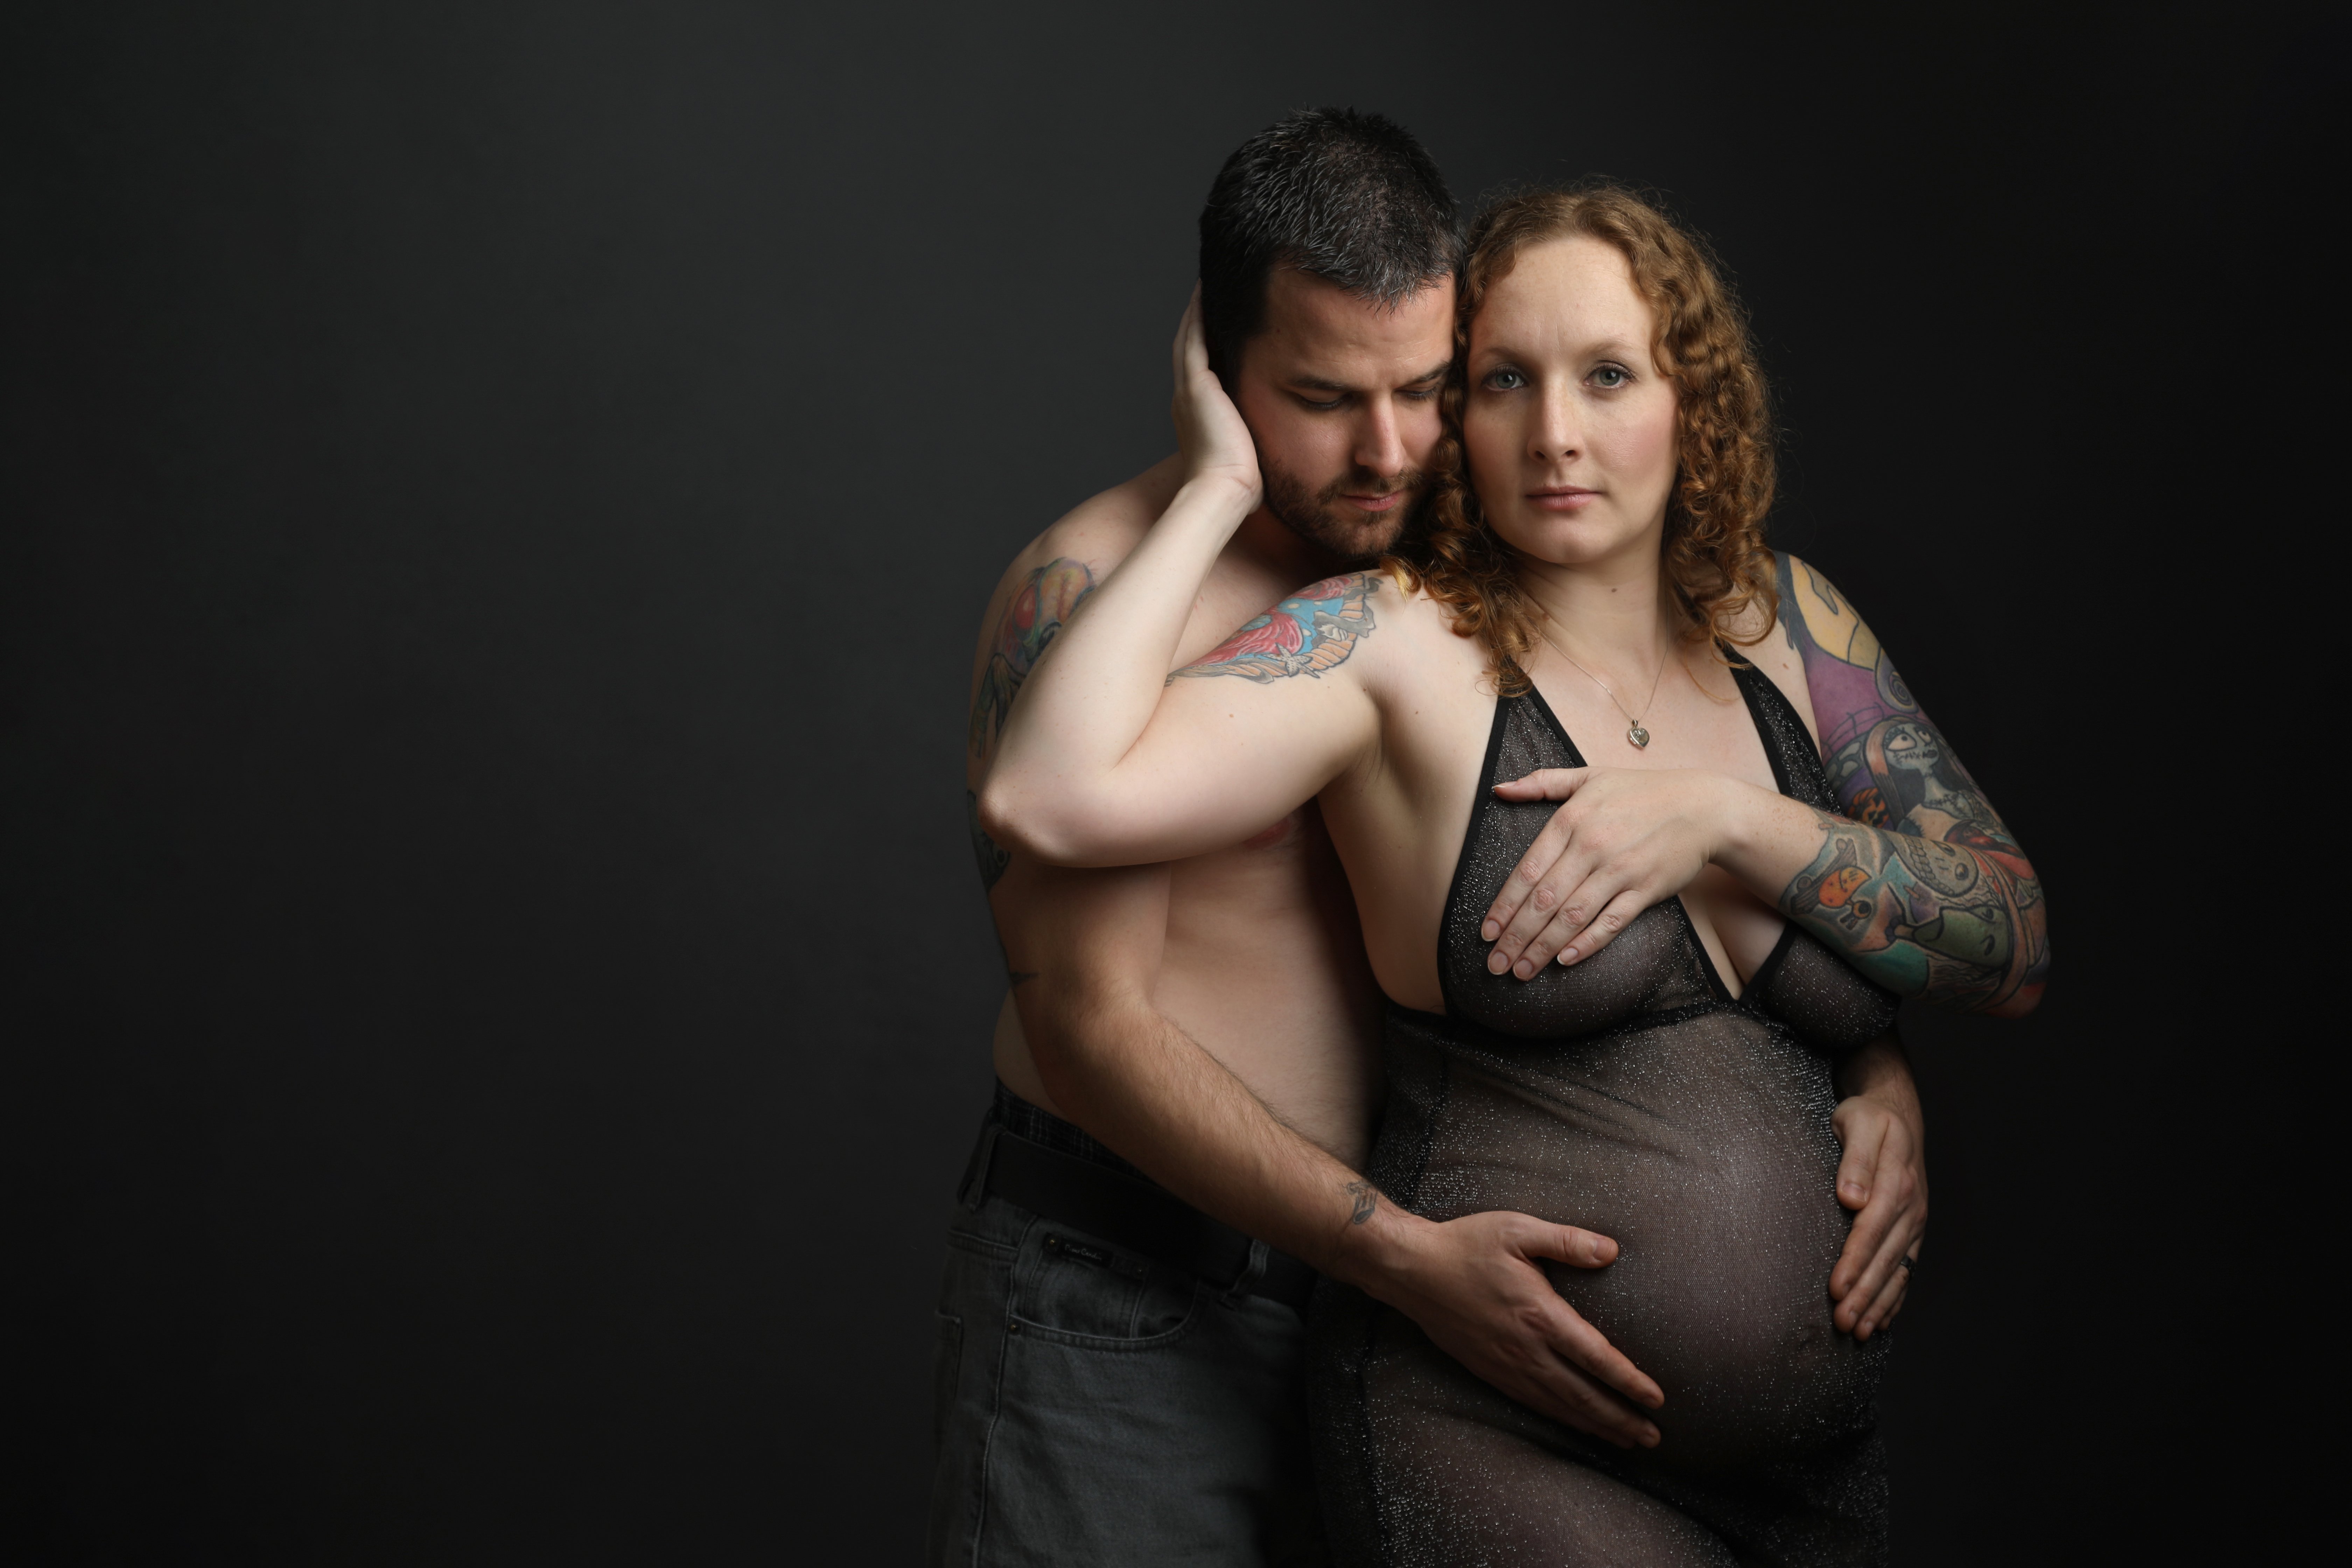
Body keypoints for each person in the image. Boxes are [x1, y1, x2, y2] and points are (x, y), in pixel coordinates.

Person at [944, 121, 1935, 1568]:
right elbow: (1089, 1024)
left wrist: (1865, 1062)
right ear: (1218, 371)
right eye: (1324, 399)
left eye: (1425, 388)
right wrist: (1393, 1251)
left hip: (1427, 1324)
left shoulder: (1466, 572)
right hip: (1146, 1292)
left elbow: (1681, 883)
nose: (1390, 450)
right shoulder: (1098, 597)